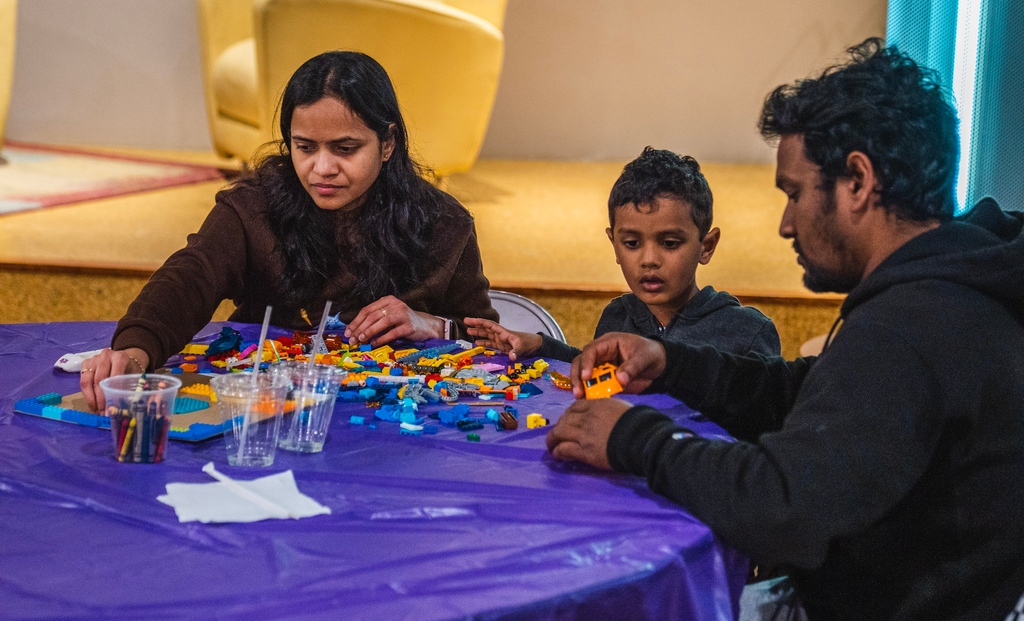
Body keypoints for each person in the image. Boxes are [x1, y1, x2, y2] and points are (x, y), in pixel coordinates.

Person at [546, 38, 1024, 619]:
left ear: (857, 181)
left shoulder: (914, 327)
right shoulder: (946, 290)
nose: (785, 223)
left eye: (795, 193)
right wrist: (672, 363)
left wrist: (633, 438)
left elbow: (782, 508)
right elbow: (813, 391)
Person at [81, 51, 497, 410]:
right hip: (265, 411)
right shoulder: (254, 205)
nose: (322, 168)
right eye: (305, 147)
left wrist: (433, 326)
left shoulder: (443, 223)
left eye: (345, 149)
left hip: (400, 425)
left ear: (387, 143)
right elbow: (191, 275)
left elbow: (491, 343)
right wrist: (136, 350)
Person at [465, 148, 780, 362]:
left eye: (670, 243)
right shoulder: (617, 317)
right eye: (632, 243)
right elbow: (602, 380)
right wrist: (540, 346)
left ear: (706, 246)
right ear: (613, 243)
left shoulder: (747, 333)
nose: (648, 260)